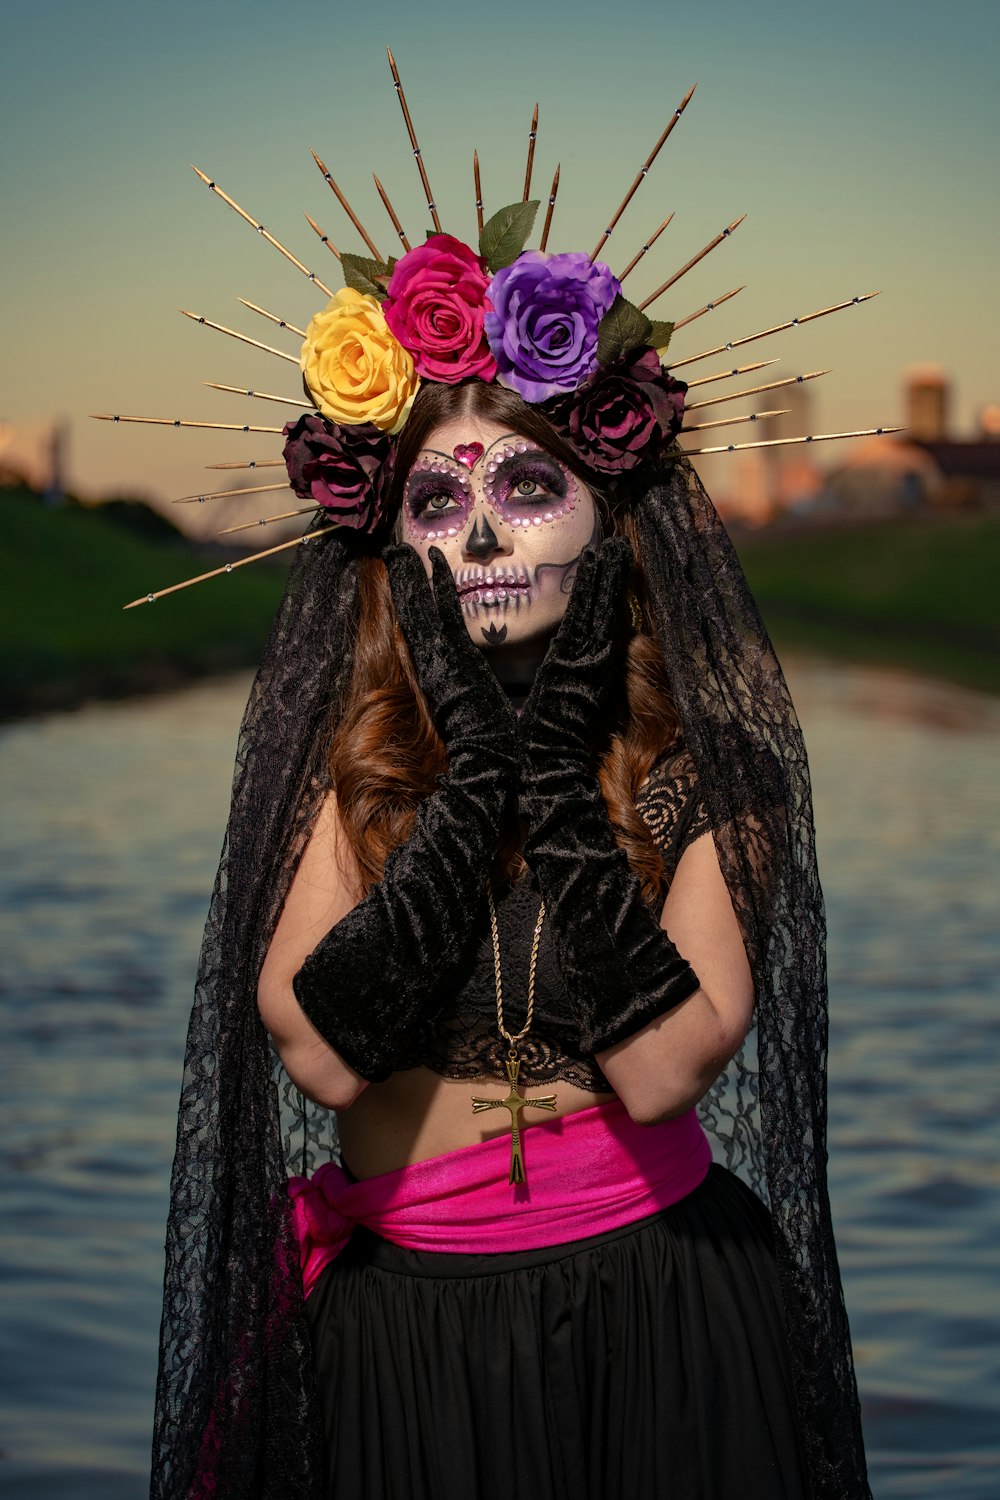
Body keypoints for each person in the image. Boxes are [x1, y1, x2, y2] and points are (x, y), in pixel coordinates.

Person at [140, 76, 872, 1499]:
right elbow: (323, 1057)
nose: (480, 531)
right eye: (436, 499)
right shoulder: (342, 775)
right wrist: (476, 787)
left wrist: (553, 776)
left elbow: (665, 1070)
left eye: (529, 489)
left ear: (614, 510)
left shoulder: (714, 780)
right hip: (407, 1327)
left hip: (664, 1310)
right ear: (393, 536)